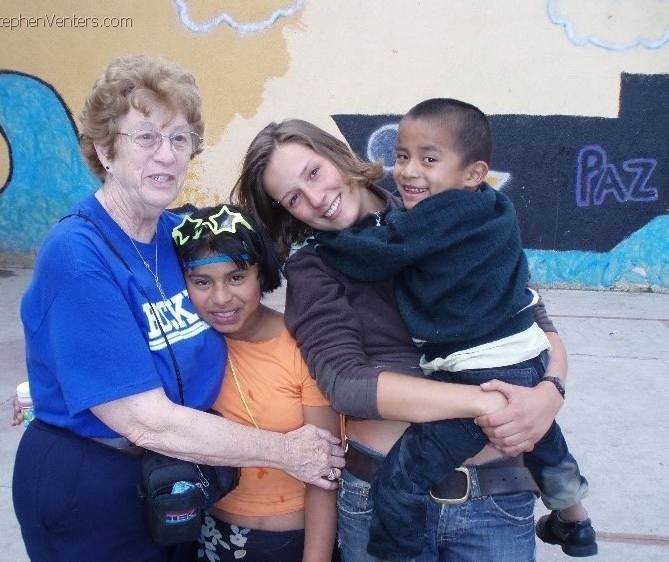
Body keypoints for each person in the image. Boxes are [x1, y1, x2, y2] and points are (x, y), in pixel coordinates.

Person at [11, 55, 343, 562]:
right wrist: (286, 450)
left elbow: (229, 310)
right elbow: (144, 420)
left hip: (179, 477)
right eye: (145, 137)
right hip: (93, 485)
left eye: (180, 139)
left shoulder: (179, 236)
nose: (166, 156)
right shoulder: (77, 254)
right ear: (105, 150)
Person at [230, 118, 573, 561]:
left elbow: (534, 319)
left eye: (313, 172)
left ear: (338, 156)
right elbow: (347, 384)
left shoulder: (445, 209)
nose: (315, 199)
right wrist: (485, 403)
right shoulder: (315, 268)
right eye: (293, 198)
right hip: (378, 503)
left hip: (494, 498)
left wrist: (550, 392)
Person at [313, 98, 595, 559]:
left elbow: (382, 252)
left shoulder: (437, 218)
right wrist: (550, 387)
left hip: (477, 373)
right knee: (540, 435)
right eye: (402, 156)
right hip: (527, 359)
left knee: (400, 479)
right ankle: (575, 521)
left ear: (472, 173)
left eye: (429, 159)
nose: (407, 171)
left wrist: (328, 244)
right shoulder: (495, 209)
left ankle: (394, 549)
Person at [172, 203, 339, 561]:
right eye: (202, 282)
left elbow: (325, 468)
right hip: (209, 538)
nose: (220, 298)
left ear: (260, 273)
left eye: (236, 277)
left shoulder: (301, 346)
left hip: (293, 542)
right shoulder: (183, 346)